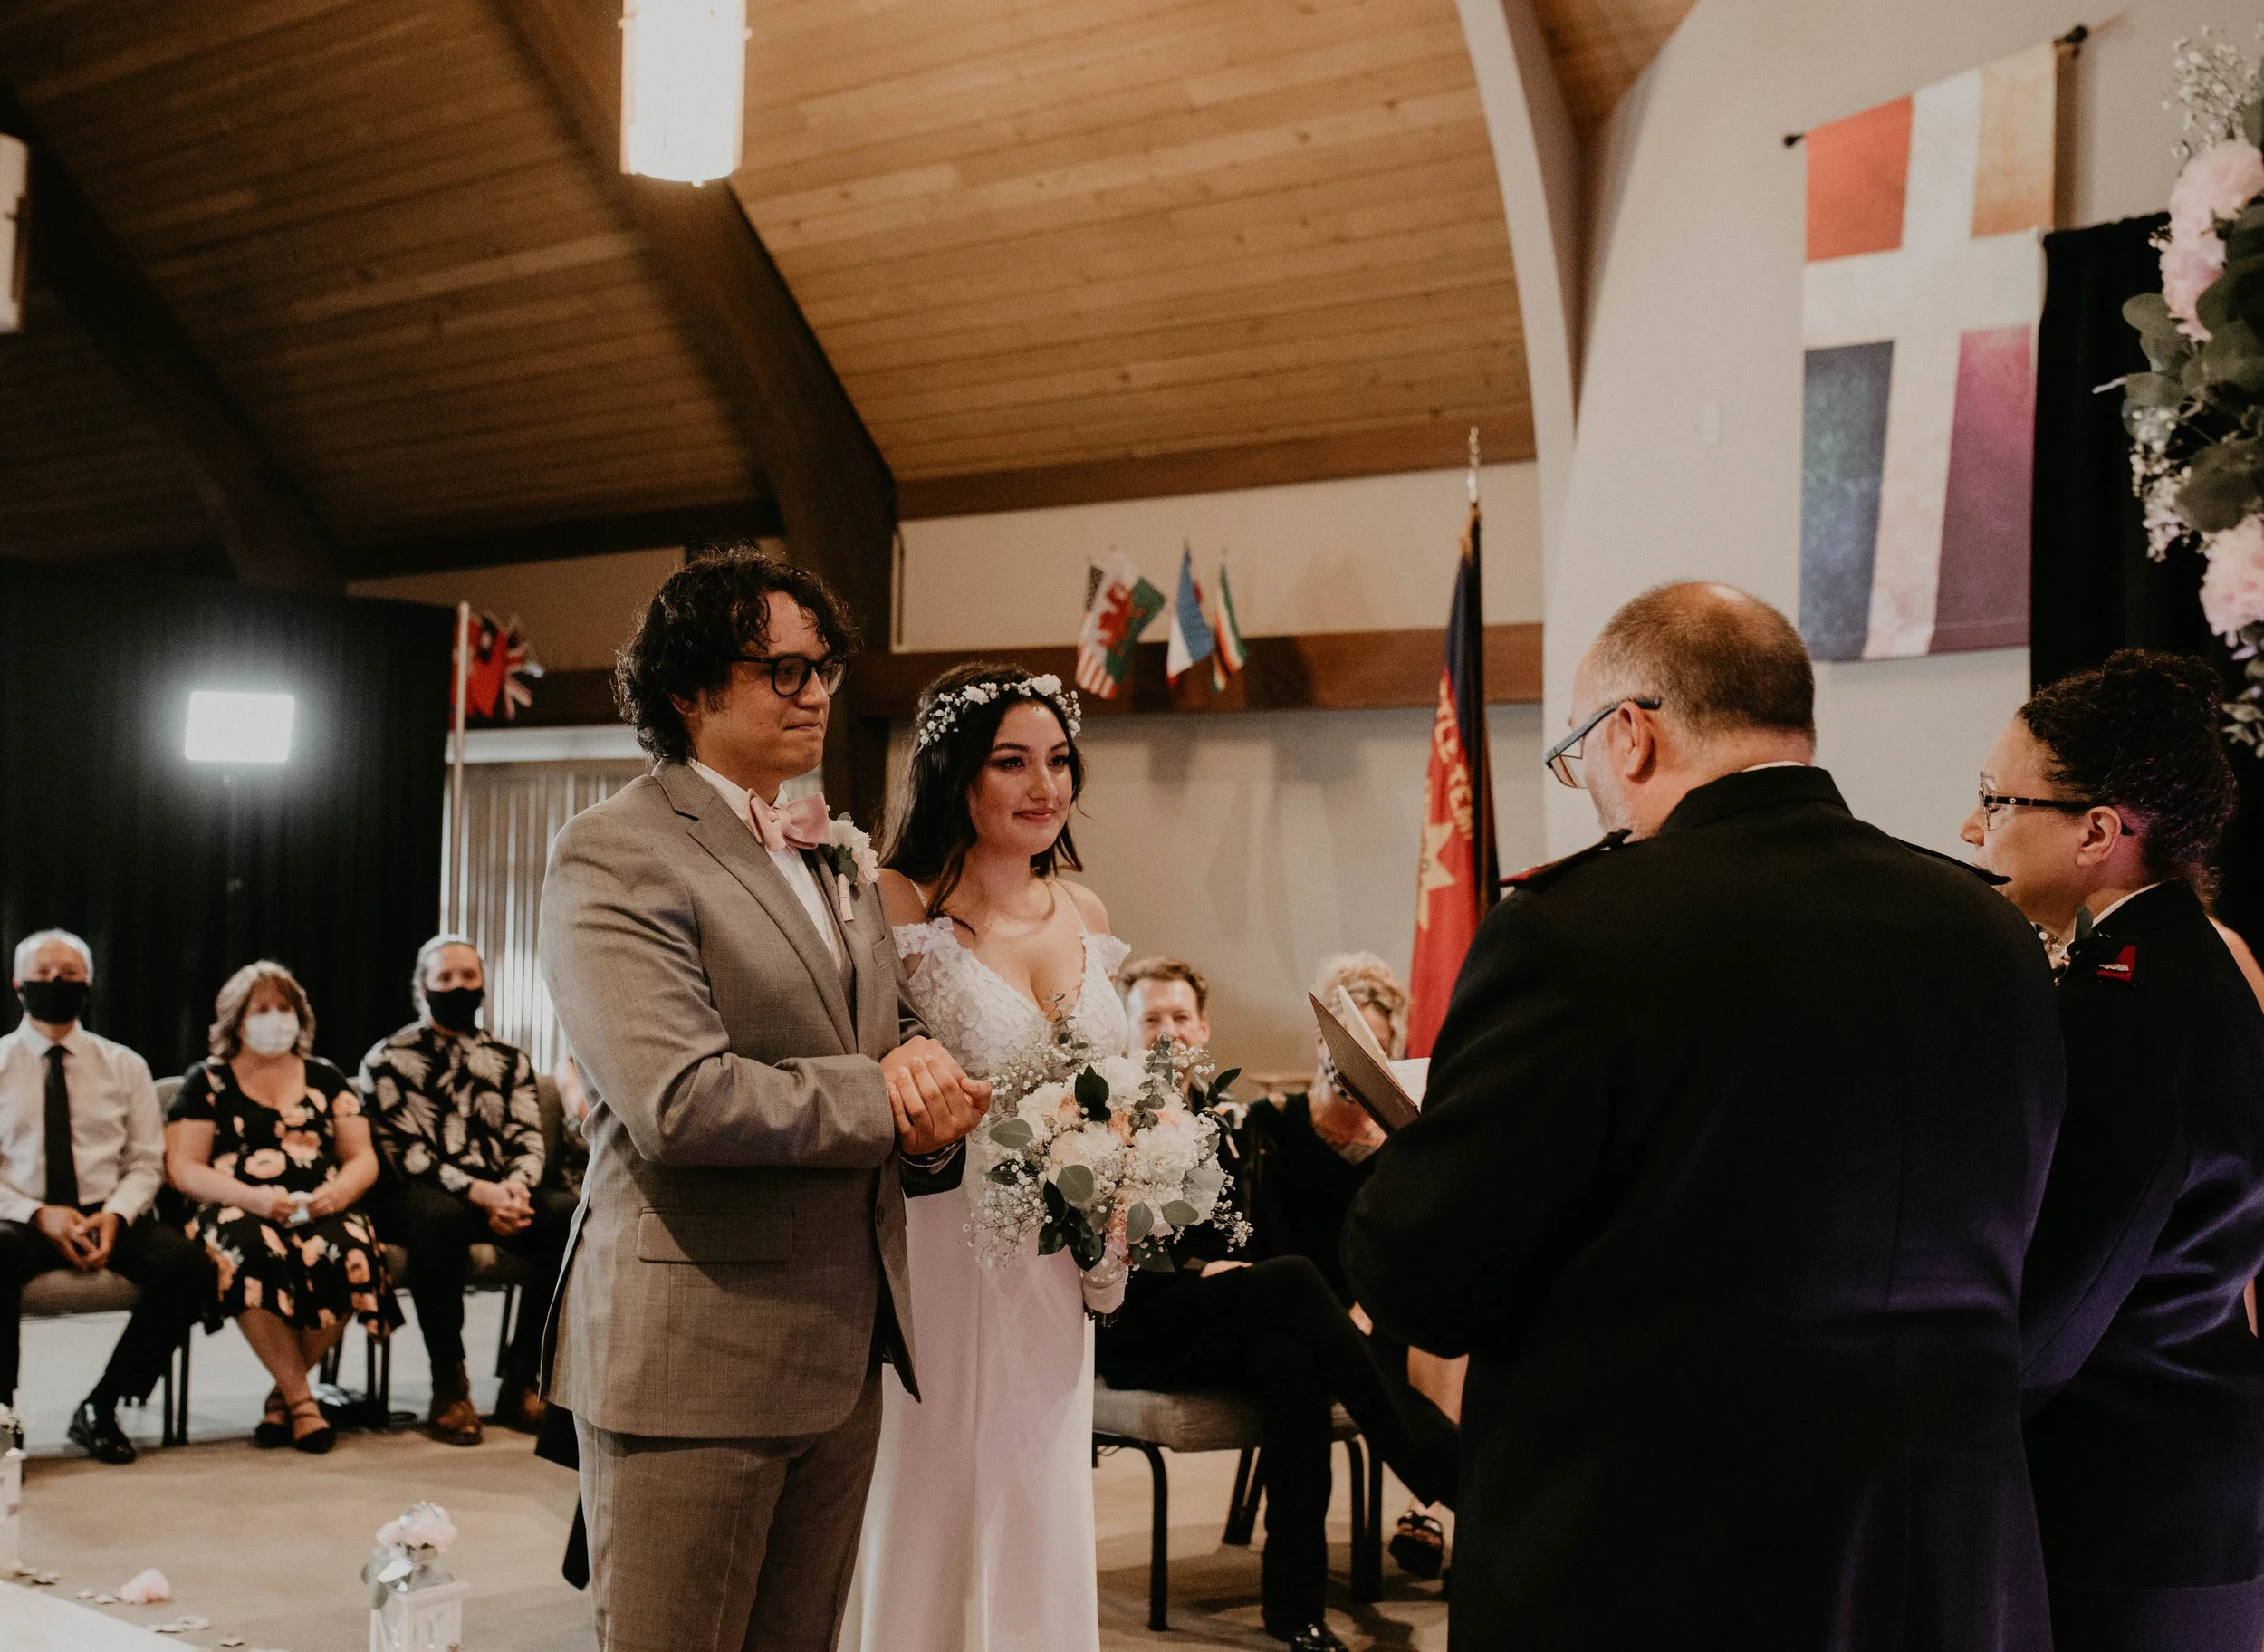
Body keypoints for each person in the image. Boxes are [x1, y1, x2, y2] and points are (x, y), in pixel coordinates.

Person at [1346, 581, 2065, 1649]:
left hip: (1662, 1552)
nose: (1587, 783)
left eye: (1576, 754)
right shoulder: (1988, 929)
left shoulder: (1577, 933)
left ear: (1629, 735)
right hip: (1948, 1550)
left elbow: (1424, 1272)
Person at [540, 547, 987, 1652]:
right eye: (782, 671)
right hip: (698, 1347)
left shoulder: (831, 849)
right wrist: (882, 1098)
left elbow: (885, 1036)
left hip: (842, 1345)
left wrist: (932, 1104)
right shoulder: (618, 852)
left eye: (823, 665)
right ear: (690, 690)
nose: (818, 691)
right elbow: (676, 1099)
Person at [1961, 649, 2264, 1650]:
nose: (1971, 830)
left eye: (1995, 799)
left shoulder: (2125, 1006)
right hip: (2182, 1470)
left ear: (2097, 831)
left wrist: (1948, 1438)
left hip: (2121, 1499)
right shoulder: (2171, 958)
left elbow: (2074, 1281)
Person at [843, 663, 1120, 1652]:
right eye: (1012, 762)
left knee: (1039, 1486)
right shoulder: (899, 899)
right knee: (932, 1483)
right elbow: (867, 1068)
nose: (1044, 784)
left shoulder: (1083, 911)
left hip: (1054, 1261)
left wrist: (1135, 1154)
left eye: (1057, 759)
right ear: (958, 774)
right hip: (939, 1241)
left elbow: (1115, 1087)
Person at [1099, 953, 1457, 1652]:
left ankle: (1294, 1609)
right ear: (1124, 1030)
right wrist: (1205, 1269)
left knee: (1296, 1363)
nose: (1168, 1033)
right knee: (1293, 1279)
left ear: (1203, 1030)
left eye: (1181, 1018)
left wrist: (1228, 1270)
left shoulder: (1220, 1124)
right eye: (1150, 1019)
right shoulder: (1102, 1114)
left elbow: (1247, 1232)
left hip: (1211, 1317)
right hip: (1137, 1323)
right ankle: (1440, 1466)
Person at [165, 960, 398, 1454]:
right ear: (236, 1019)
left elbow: (362, 1157)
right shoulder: (206, 1081)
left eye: (283, 1007)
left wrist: (335, 1195)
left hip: (319, 1203)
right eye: (261, 1009)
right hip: (235, 1205)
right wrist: (256, 1199)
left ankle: (284, 1398)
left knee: (353, 1246)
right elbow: (184, 1169)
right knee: (252, 1250)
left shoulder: (327, 1077)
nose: (275, 1018)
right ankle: (302, 1402)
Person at [0, 929, 215, 1464]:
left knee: (189, 1268)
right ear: (17, 985)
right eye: (43, 973)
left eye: (69, 974)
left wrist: (116, 1215)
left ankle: (103, 1404)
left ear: (88, 984)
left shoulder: (124, 1065)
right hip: (22, 1216)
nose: (55, 982)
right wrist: (38, 1213)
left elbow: (145, 1161)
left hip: (109, 1212)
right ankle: (2, 1421)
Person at [360, 933, 573, 1444]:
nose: (457, 986)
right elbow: (406, 1154)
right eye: (445, 978)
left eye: (468, 977)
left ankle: (526, 1380)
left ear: (483, 986)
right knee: (441, 1217)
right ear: (421, 988)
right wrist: (481, 1193)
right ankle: (449, 1385)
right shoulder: (388, 1059)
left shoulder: (510, 1060)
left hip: (498, 1191)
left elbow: (527, 1138)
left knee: (568, 1215)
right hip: (418, 1195)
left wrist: (516, 1192)